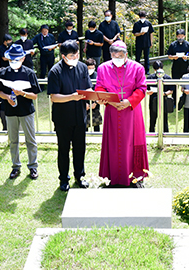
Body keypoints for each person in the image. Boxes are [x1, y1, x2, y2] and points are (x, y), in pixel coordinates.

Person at [95, 40, 149, 187]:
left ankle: (136, 176)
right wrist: (108, 101)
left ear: (126, 55)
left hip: (131, 110)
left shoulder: (137, 67)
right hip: (112, 110)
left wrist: (129, 101)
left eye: (120, 55)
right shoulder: (103, 68)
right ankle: (112, 176)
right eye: (114, 55)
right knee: (113, 144)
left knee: (132, 143)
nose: (117, 58)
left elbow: (142, 88)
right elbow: (99, 87)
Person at [47, 40, 93, 192]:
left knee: (80, 148)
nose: (75, 57)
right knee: (64, 149)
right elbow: (54, 97)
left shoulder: (82, 67)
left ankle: (79, 176)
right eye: (72, 55)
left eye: (77, 54)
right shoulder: (55, 71)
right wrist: (71, 97)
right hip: (63, 118)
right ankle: (64, 179)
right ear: (63, 56)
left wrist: (91, 99)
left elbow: (87, 88)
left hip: (80, 116)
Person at [0, 44, 41, 179]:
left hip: (26, 111)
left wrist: (23, 93)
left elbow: (35, 95)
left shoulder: (29, 73)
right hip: (10, 110)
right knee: (13, 140)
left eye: (16, 59)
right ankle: (15, 166)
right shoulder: (3, 72)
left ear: (23, 58)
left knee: (30, 140)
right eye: (11, 59)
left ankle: (33, 166)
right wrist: (7, 97)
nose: (14, 62)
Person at [147, 61, 174, 133]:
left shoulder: (167, 77)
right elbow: (146, 89)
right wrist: (148, 92)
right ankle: (151, 134)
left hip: (164, 100)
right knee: (152, 120)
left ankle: (165, 134)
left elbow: (171, 90)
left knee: (164, 119)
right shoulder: (150, 77)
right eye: (156, 69)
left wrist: (164, 93)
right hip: (153, 101)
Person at [85, 58, 102, 132]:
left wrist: (95, 103)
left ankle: (97, 135)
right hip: (85, 103)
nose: (91, 69)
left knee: (96, 120)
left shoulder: (97, 76)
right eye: (89, 68)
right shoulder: (83, 75)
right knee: (85, 121)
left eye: (93, 68)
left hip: (96, 102)